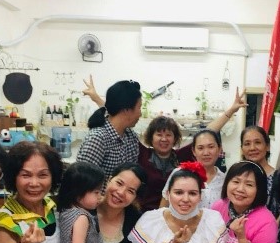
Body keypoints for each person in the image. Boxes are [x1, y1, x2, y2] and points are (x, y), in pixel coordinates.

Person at [80, 75, 246, 209]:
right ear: (151, 137)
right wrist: (97, 99)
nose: (164, 139)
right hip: (127, 211)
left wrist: (231, 111)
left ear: (175, 138)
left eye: (169, 135)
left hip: (170, 214)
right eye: (159, 134)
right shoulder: (140, 152)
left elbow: (206, 134)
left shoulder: (179, 157)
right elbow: (81, 179)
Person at [76, 78, 142, 187]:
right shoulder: (97, 139)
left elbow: (132, 176)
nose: (140, 114)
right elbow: (81, 184)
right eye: (139, 108)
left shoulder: (131, 137)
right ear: (126, 110)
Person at [160, 129, 225, 209]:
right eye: (200, 148)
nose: (206, 153)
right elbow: (163, 207)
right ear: (194, 151)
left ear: (219, 149)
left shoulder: (225, 180)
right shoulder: (179, 173)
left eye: (211, 147)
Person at [240, 125, 280, 217]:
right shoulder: (237, 176)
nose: (252, 148)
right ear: (242, 149)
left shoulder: (279, 178)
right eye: (247, 144)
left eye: (257, 142)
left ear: (267, 146)